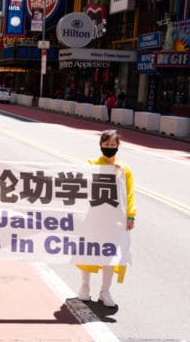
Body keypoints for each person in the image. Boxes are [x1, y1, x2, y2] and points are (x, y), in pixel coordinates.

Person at [77, 129, 136, 307]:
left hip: (114, 221)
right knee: (88, 252)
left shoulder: (125, 169)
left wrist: (131, 215)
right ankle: (84, 288)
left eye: (113, 145)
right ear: (101, 145)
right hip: (93, 218)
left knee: (111, 255)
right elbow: (82, 182)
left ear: (118, 146)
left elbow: (130, 194)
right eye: (107, 144)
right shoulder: (91, 164)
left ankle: (105, 292)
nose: (110, 148)